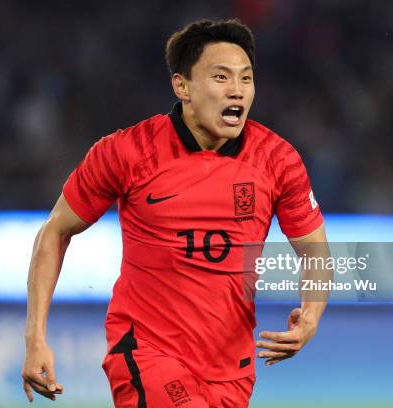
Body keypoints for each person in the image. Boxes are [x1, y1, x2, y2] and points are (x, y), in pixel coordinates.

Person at [22, 18, 330, 407]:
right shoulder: (127, 153)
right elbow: (55, 231)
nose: (236, 90)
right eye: (221, 77)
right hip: (146, 352)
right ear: (182, 86)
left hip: (231, 370)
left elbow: (315, 252)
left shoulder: (278, 160)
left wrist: (312, 316)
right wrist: (35, 338)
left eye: (246, 79)